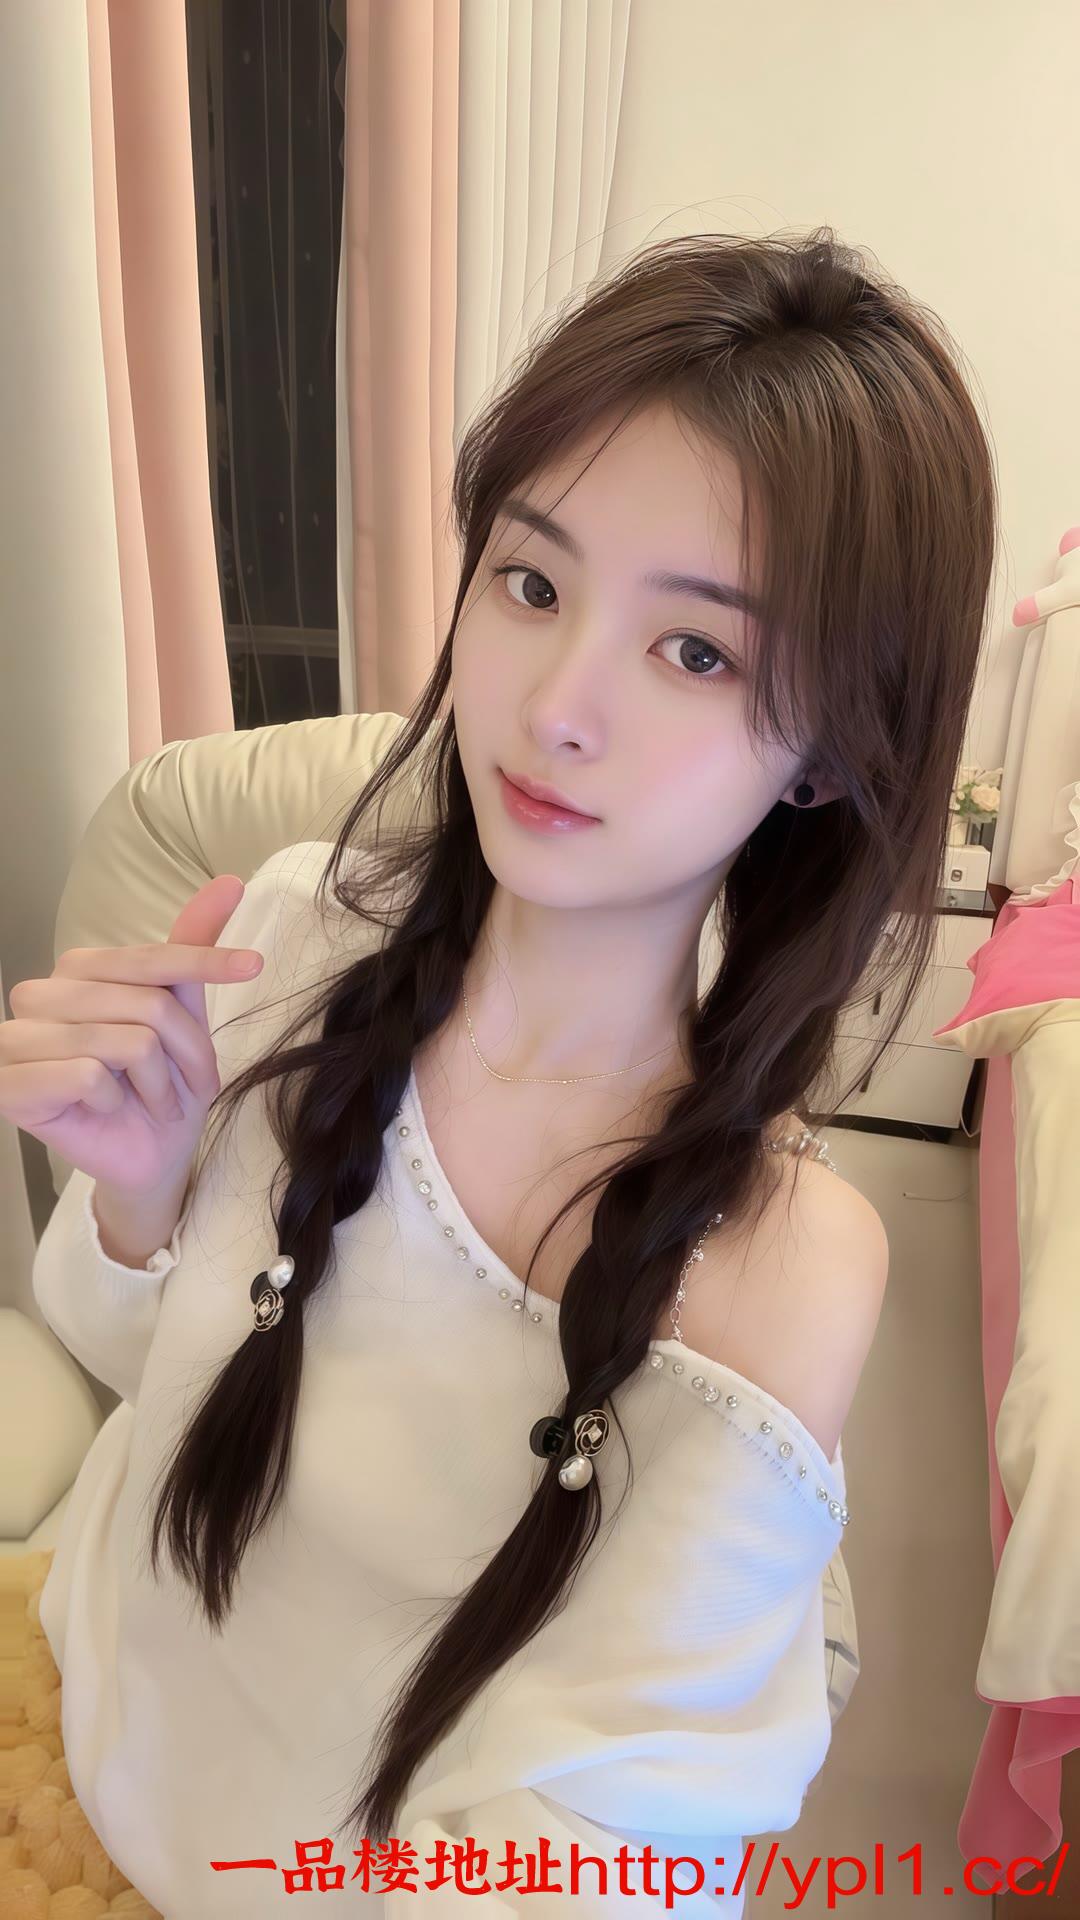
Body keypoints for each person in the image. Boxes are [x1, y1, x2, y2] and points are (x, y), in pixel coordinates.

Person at [20, 226, 997, 1915]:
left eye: (696, 652)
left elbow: (625, 1833)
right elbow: (145, 1395)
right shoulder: (285, 939)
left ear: (833, 750)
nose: (554, 707)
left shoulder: (780, 1263)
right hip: (62, 1734)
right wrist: (136, 1194)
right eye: (533, 584)